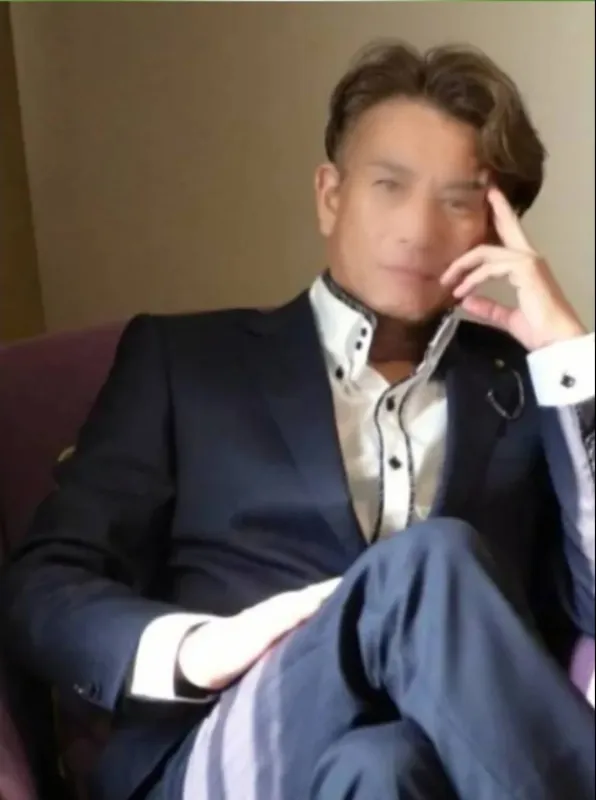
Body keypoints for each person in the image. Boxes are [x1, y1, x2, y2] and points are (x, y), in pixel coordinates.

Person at [0, 40, 594, 800]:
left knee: (382, 765)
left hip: (427, 768)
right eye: (389, 185)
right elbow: (43, 584)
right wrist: (196, 649)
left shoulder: (529, 387)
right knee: (427, 563)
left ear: (494, 229)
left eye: (457, 200)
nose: (417, 230)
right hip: (223, 750)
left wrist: (570, 359)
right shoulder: (187, 364)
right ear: (329, 196)